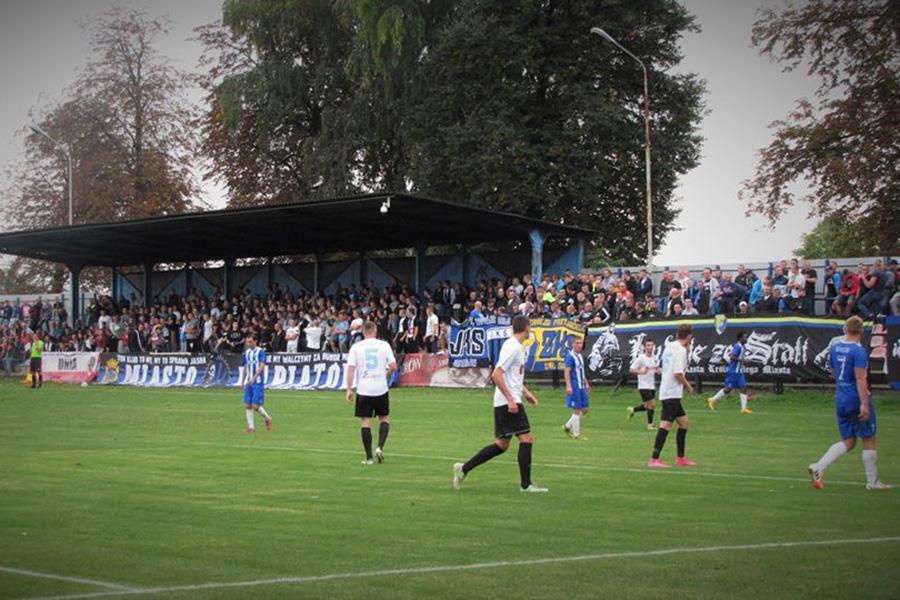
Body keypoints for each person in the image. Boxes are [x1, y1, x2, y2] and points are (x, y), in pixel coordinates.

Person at [453, 315, 547, 492]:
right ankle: (526, 485)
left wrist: (526, 393)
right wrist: (511, 399)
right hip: (508, 402)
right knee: (526, 438)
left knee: (502, 444)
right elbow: (496, 374)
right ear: (527, 328)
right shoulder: (513, 347)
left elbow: (513, 377)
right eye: (530, 327)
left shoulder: (515, 346)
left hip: (506, 400)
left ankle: (463, 468)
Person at [808, 316, 890, 491]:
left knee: (849, 441)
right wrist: (864, 403)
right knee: (869, 438)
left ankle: (819, 466)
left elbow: (833, 371)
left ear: (845, 329)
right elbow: (860, 378)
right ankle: (872, 482)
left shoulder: (835, 347)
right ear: (861, 331)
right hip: (855, 397)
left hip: (841, 397)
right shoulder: (859, 351)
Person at [345, 321, 397, 465]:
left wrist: (349, 389)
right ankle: (379, 447)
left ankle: (369, 457)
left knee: (366, 422)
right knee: (384, 418)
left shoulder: (356, 347)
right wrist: (385, 376)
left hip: (364, 389)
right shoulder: (384, 345)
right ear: (375, 331)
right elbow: (393, 366)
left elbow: (351, 368)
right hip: (381, 388)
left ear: (363, 332)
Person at [648, 324, 696, 468]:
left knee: (684, 423)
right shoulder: (680, 350)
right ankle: (654, 459)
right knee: (666, 425)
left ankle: (680, 458)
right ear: (689, 336)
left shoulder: (670, 346)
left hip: (667, 390)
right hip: (672, 392)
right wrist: (688, 386)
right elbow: (678, 373)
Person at [707, 331, 753, 415]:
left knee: (743, 387)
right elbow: (732, 357)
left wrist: (745, 361)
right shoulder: (738, 346)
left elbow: (738, 358)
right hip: (734, 371)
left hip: (739, 371)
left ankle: (743, 409)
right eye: (745, 337)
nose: (746, 339)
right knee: (728, 389)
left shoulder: (743, 347)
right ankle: (713, 399)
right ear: (740, 338)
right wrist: (743, 360)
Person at [241, 333, 272, 433]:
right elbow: (245, 367)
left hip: (257, 382)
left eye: (250, 342)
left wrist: (254, 378)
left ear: (255, 341)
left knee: (255, 406)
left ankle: (267, 418)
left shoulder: (260, 351)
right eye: (247, 342)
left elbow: (262, 366)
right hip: (249, 381)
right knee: (247, 405)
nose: (248, 344)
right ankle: (251, 427)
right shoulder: (247, 353)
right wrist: (242, 381)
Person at [628, 339, 659, 430]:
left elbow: (656, 369)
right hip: (643, 386)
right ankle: (650, 425)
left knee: (647, 406)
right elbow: (631, 369)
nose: (650, 347)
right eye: (648, 345)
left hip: (651, 385)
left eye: (652, 345)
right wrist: (641, 372)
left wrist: (658, 371)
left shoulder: (654, 358)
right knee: (652, 404)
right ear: (644, 347)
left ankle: (633, 409)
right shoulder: (641, 358)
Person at [562, 336, 589, 439]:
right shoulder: (570, 356)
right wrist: (569, 386)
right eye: (577, 343)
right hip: (575, 386)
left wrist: (586, 382)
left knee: (585, 409)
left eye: (580, 343)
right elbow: (567, 371)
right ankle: (576, 434)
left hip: (582, 386)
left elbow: (581, 371)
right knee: (577, 409)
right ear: (573, 344)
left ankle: (567, 426)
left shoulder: (580, 356)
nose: (579, 345)